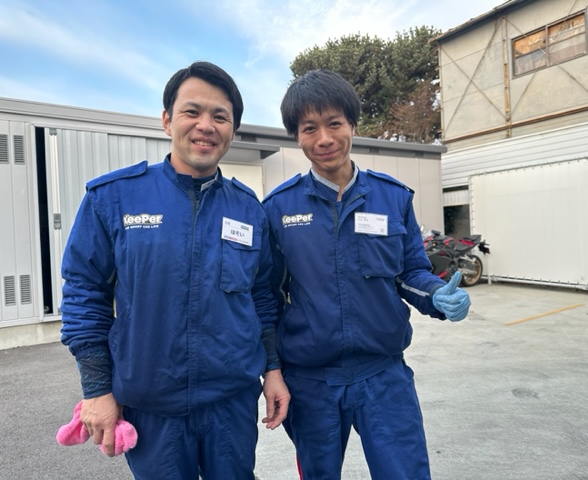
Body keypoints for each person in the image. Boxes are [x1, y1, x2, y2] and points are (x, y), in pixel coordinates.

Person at [60, 61, 289, 479]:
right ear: (167, 120)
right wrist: (96, 388)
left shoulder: (248, 210)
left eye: (220, 116)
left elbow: (261, 298)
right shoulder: (113, 198)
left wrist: (272, 368)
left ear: (232, 131)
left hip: (231, 404)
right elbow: (84, 293)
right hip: (152, 408)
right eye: (192, 112)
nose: (206, 126)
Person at [262, 69, 471, 480]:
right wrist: (270, 368)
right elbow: (266, 296)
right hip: (311, 381)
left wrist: (435, 295)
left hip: (384, 374)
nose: (324, 139)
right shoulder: (278, 209)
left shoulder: (392, 197)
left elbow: (409, 271)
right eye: (309, 128)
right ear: (296, 137)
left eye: (335, 123)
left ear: (353, 125)